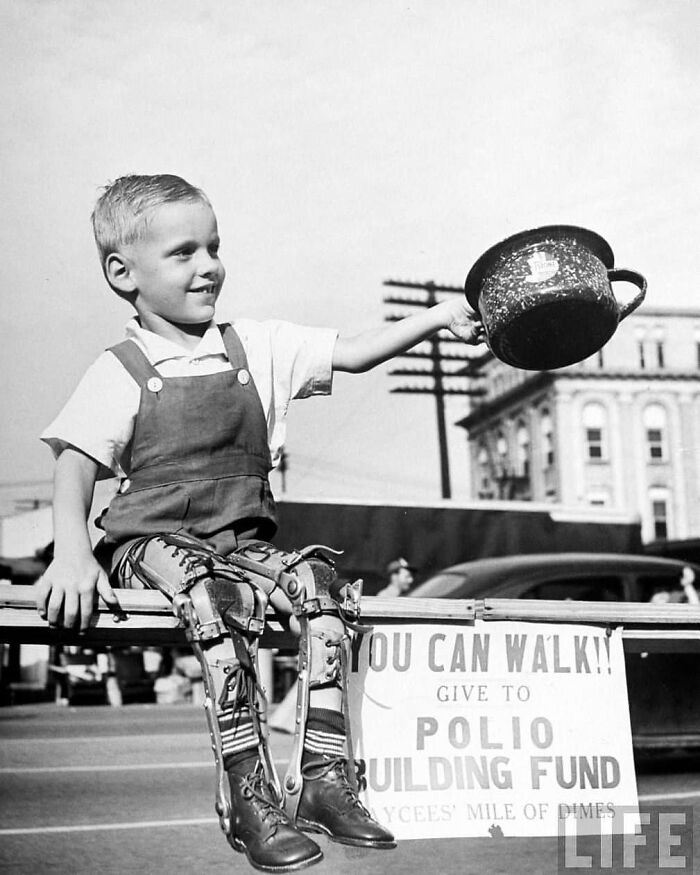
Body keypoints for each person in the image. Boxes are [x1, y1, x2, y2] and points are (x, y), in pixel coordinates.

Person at [34, 174, 484, 872]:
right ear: (123, 273)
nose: (209, 264)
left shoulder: (257, 346)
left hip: (241, 542)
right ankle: (248, 793)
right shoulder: (121, 369)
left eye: (214, 246)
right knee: (209, 595)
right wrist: (72, 553)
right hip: (151, 541)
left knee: (322, 583)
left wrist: (440, 317)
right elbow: (75, 462)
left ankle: (326, 780)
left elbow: (358, 348)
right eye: (184, 252)